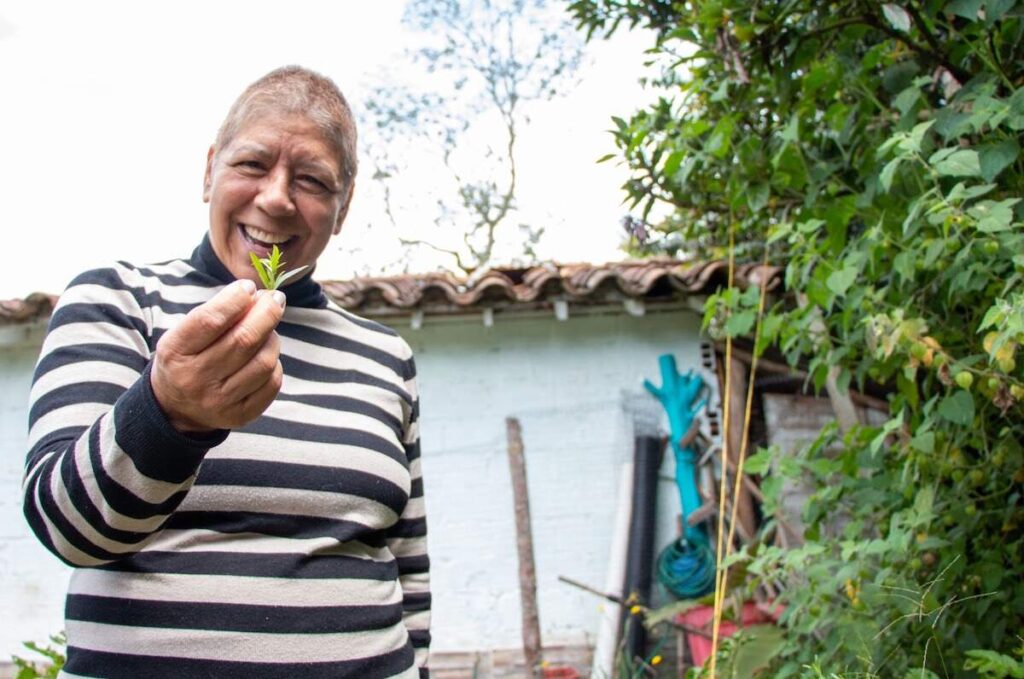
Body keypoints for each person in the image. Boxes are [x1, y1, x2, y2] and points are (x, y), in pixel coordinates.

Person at [23, 66, 430, 678]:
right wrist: (169, 414)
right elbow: (66, 528)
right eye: (251, 165)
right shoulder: (118, 301)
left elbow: (408, 563)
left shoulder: (384, 353)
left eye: (313, 179)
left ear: (342, 209)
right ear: (209, 169)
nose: (276, 197)